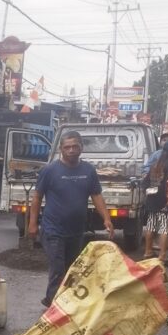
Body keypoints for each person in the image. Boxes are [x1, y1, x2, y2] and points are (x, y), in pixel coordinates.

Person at [27, 131, 114, 307]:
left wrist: (106, 218)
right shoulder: (50, 170)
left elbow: (96, 195)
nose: (71, 150)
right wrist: (32, 223)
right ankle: (53, 304)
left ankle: (66, 302)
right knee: (58, 269)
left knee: (72, 270)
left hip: (76, 230)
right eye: (67, 147)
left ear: (81, 148)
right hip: (53, 229)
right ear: (61, 149)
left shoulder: (88, 170)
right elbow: (37, 197)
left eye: (75, 146)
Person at [142, 140, 168, 264]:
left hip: (152, 200)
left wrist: (149, 193)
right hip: (164, 201)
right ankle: (162, 256)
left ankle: (148, 251)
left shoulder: (156, 164)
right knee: (165, 228)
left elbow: (145, 182)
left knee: (151, 225)